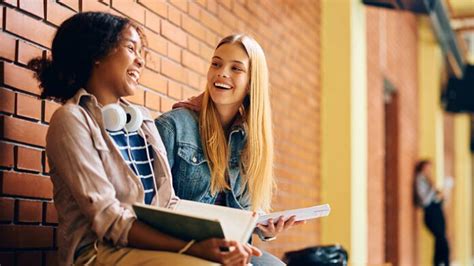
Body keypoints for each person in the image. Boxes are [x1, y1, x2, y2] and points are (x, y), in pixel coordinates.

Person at [29, 12, 260, 266]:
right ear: (97, 53)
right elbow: (109, 219)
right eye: (131, 48)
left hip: (146, 248)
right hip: (97, 251)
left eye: (142, 53)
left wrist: (229, 237)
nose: (140, 61)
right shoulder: (71, 120)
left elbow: (168, 202)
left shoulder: (142, 122)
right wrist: (193, 248)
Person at [155, 34, 303, 265]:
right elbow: (153, 204)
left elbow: (247, 209)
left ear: (252, 82)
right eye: (216, 64)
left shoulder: (250, 141)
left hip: (236, 250)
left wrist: (265, 226)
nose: (222, 72)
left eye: (236, 68)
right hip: (187, 245)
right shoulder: (173, 126)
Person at [414, 160, 450, 266]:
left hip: (437, 213)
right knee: (442, 241)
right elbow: (424, 200)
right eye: (427, 168)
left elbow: (439, 199)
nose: (429, 171)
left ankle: (440, 263)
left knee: (441, 241)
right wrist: (433, 188)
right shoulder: (420, 179)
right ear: (422, 168)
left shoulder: (427, 180)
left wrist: (442, 195)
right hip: (430, 214)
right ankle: (442, 263)